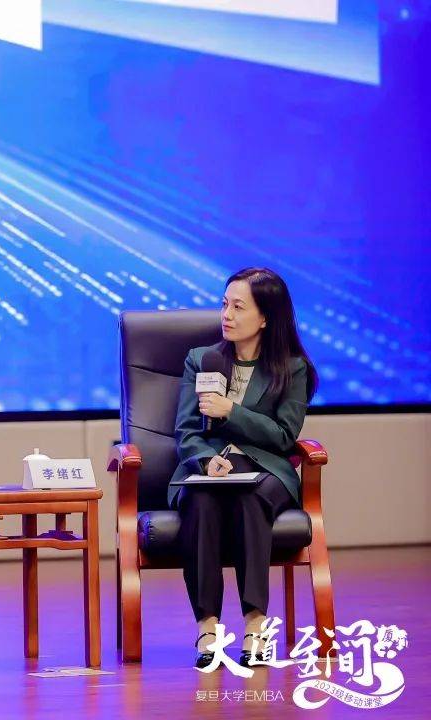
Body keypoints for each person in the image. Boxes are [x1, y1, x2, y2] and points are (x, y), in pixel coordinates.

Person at [170, 267, 318, 668]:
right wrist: (205, 459)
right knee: (199, 499)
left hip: (265, 471)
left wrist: (230, 411)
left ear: (265, 317)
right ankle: (208, 627)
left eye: (238, 307)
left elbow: (283, 436)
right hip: (210, 467)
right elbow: (186, 429)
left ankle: (255, 625)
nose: (226, 315)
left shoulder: (292, 368)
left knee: (250, 498)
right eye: (224, 304)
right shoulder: (202, 360)